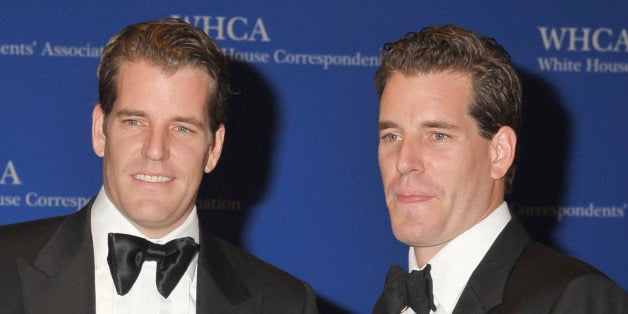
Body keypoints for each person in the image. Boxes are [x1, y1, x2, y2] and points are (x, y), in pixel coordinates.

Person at [0, 18, 317, 313]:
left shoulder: (283, 302)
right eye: (135, 121)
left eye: (183, 128)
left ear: (214, 148)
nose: (155, 150)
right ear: (100, 130)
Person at [371, 24, 626, 313]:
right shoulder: (388, 305)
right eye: (392, 136)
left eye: (438, 136)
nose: (404, 162)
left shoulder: (574, 300)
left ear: (499, 153)